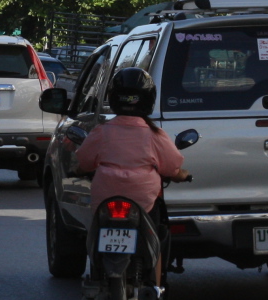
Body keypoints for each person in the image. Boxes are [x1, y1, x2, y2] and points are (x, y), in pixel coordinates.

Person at [74, 67, 189, 216]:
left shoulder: (101, 131)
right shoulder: (154, 134)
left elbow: (84, 161)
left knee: (95, 229)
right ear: (150, 99)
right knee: (158, 224)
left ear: (113, 97)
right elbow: (171, 167)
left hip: (104, 198)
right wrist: (182, 175)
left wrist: (77, 171)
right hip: (143, 201)